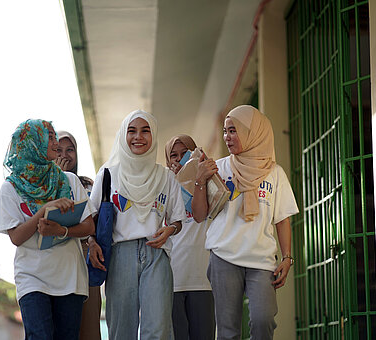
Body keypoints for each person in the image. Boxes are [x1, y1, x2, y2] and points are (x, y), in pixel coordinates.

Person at [192, 105, 299, 340]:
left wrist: (287, 257)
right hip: (224, 256)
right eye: (225, 131)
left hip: (261, 260)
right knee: (228, 331)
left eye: (234, 130)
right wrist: (200, 180)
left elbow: (282, 219)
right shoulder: (218, 168)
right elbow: (199, 215)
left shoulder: (275, 173)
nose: (227, 137)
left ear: (254, 132)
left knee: (264, 321)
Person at [88, 109, 186, 340]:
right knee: (122, 329)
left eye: (145, 131)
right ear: (123, 136)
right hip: (119, 255)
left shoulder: (165, 176)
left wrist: (169, 229)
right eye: (131, 131)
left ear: (154, 136)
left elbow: (177, 220)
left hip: (156, 254)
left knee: (158, 329)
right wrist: (92, 243)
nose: (138, 137)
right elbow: (90, 220)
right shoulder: (108, 174)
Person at [0, 119, 96, 339]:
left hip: (70, 278)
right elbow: (16, 237)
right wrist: (42, 210)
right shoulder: (10, 187)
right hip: (32, 277)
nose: (54, 143)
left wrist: (61, 230)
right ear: (32, 143)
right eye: (49, 137)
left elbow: (89, 226)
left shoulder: (69, 180)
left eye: (53, 136)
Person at [164, 135, 216, 340]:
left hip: (202, 279)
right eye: (173, 156)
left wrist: (197, 176)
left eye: (184, 153)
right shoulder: (163, 186)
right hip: (173, 279)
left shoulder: (209, 183)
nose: (178, 160)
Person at [55, 130, 102, 340]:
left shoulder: (88, 185)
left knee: (90, 328)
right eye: (59, 150)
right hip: (55, 263)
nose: (65, 155)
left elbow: (93, 223)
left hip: (86, 260)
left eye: (70, 150)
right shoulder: (41, 186)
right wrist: (58, 178)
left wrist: (91, 241)